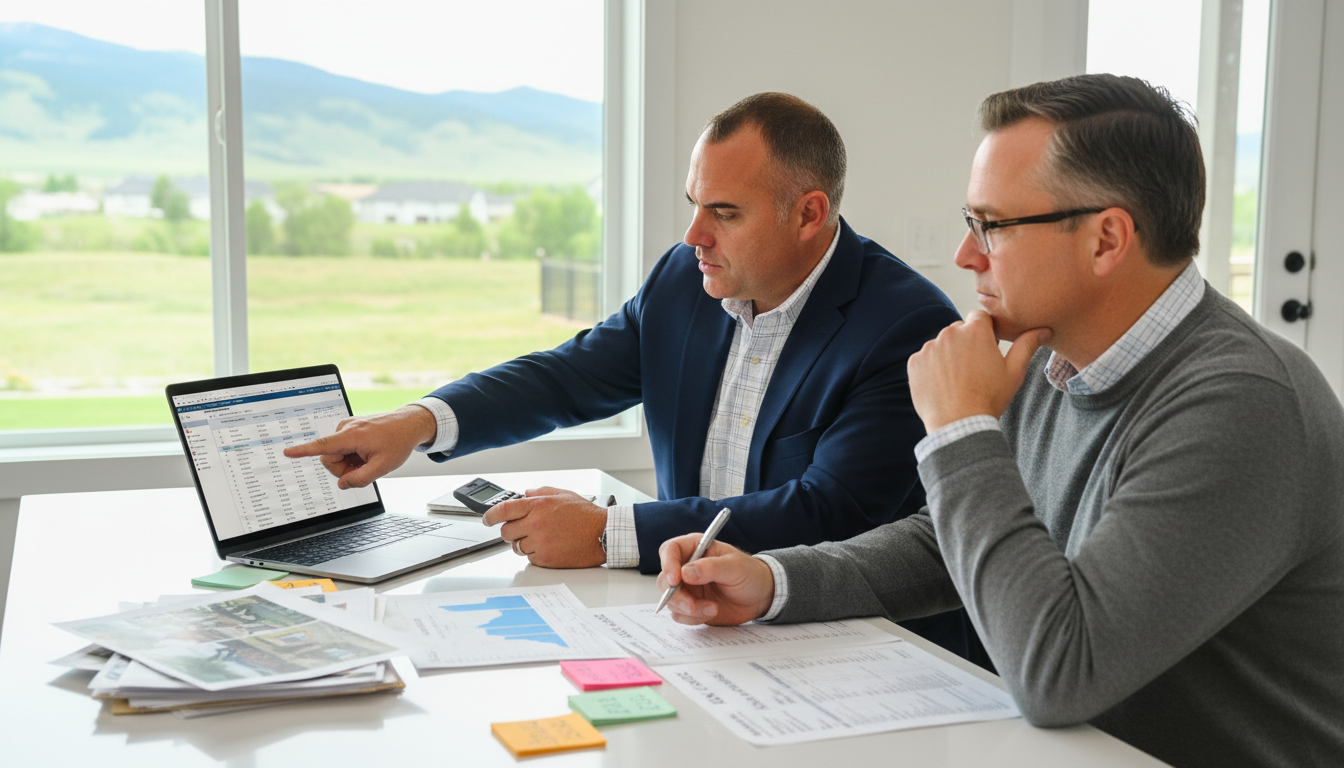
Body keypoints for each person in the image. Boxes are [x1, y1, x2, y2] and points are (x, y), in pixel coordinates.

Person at [655, 74, 1344, 767]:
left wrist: (961, 431)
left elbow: (1060, 674)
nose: (965, 256)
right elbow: (949, 544)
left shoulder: (1242, 403)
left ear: (1107, 240)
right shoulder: (1056, 354)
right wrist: (776, 582)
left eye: (992, 225)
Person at [285, 92, 970, 653]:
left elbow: (831, 510)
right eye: (694, 204)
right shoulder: (685, 279)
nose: (693, 234)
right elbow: (571, 375)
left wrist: (608, 534)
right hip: (699, 623)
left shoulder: (903, 326)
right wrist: (419, 421)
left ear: (809, 214)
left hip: (856, 646)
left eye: (724, 212)